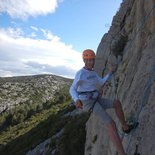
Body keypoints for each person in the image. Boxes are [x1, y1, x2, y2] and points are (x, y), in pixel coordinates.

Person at [69, 49, 137, 155]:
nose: (90, 62)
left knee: (117, 103)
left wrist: (110, 73)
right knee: (111, 124)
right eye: (87, 60)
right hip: (88, 102)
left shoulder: (93, 73)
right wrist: (76, 99)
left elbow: (100, 82)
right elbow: (72, 89)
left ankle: (125, 128)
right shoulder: (81, 73)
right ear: (84, 60)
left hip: (96, 99)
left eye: (92, 60)